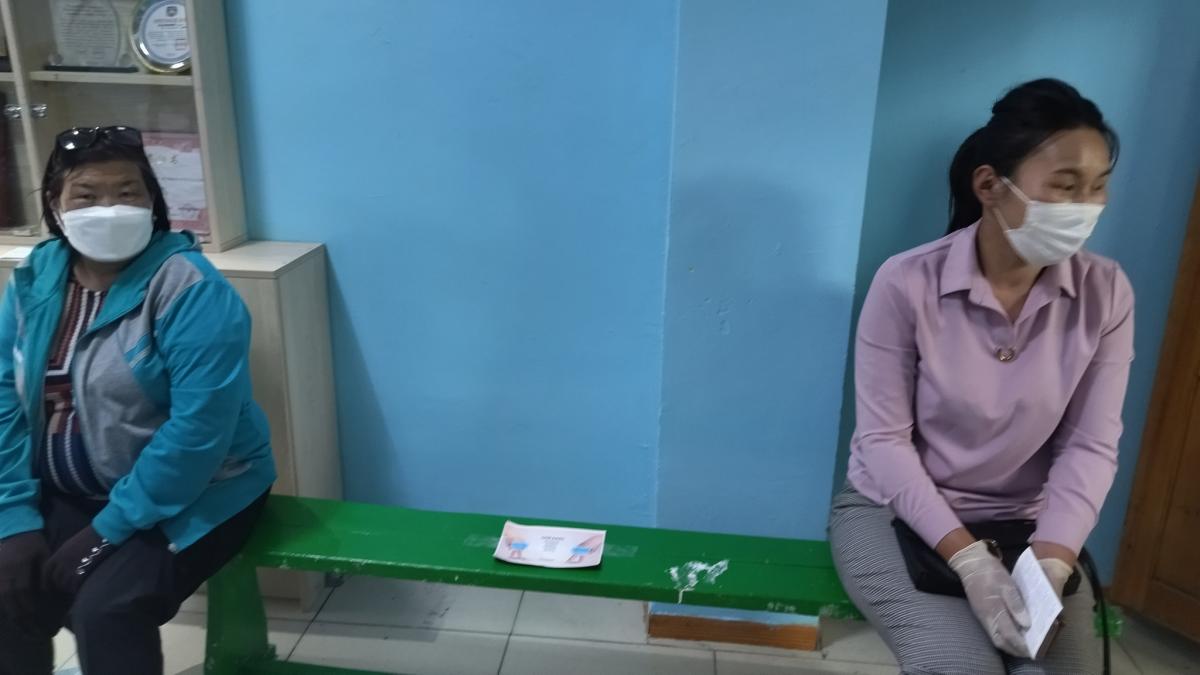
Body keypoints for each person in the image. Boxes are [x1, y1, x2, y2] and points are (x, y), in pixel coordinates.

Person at [829, 79, 1130, 674]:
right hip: (894, 511)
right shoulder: (907, 283)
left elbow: (1090, 446)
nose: (1086, 206)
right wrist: (970, 562)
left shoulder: (1105, 291)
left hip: (1027, 525)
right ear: (990, 185)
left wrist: (1051, 561)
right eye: (1065, 186)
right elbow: (883, 443)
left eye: (1098, 186)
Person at [0, 126, 276, 675]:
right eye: (86, 195)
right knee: (8, 589)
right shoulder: (36, 279)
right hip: (71, 491)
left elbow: (198, 433)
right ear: (56, 205)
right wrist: (13, 516)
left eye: (127, 192)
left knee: (107, 610)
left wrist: (107, 531)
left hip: (197, 492)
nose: (109, 209)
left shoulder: (190, 289)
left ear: (153, 202)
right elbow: (5, 397)